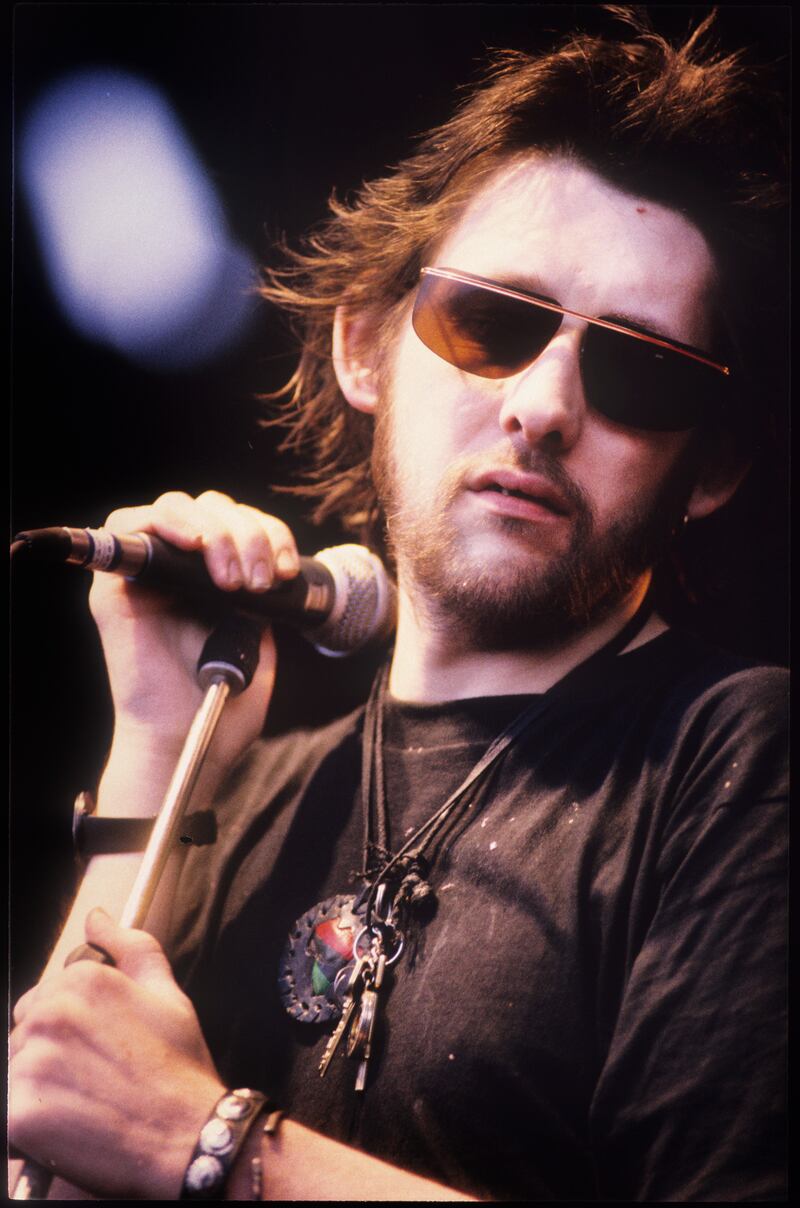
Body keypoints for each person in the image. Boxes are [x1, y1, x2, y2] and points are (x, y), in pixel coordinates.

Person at [9, 8, 787, 1201]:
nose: (543, 405)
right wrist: (156, 747)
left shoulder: (731, 756)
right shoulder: (243, 786)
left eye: (638, 368)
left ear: (711, 468)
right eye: (491, 321)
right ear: (365, 348)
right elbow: (51, 1148)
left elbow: (148, 1128)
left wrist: (211, 1142)